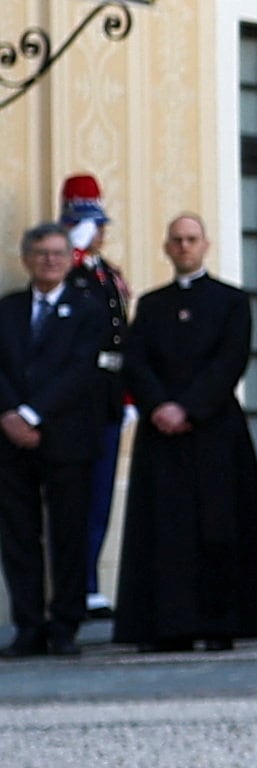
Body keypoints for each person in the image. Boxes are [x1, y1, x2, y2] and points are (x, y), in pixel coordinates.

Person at [111, 215, 257, 651]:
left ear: (206, 245)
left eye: (191, 240)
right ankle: (167, 626)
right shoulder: (151, 304)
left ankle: (220, 623)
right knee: (163, 533)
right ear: (166, 248)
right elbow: (136, 360)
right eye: (177, 240)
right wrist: (160, 406)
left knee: (218, 528)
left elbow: (231, 359)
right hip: (161, 433)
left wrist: (189, 407)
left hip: (215, 428)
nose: (184, 247)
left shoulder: (232, 301)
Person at [0, 223, 113, 654]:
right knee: (19, 536)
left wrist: (32, 413)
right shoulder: (7, 309)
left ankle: (65, 626)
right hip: (9, 442)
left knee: (69, 534)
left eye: (57, 253)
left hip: (67, 438)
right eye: (41, 253)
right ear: (26, 258)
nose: (49, 260)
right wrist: (9, 415)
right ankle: (28, 627)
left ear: (70, 259)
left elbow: (82, 369)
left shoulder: (91, 309)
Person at [56, 177, 127, 619]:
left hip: (109, 395)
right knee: (72, 498)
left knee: (100, 494)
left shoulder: (107, 273)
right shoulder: (68, 269)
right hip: (74, 397)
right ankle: (75, 584)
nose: (98, 232)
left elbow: (122, 337)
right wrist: (73, 252)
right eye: (88, 225)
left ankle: (90, 582)